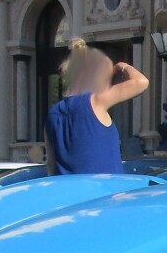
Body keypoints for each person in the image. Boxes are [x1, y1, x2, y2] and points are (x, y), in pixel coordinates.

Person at [44, 38, 148, 175]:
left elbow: (50, 165)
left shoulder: (53, 114)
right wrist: (121, 66)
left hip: (68, 193)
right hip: (105, 191)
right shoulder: (96, 101)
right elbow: (142, 82)